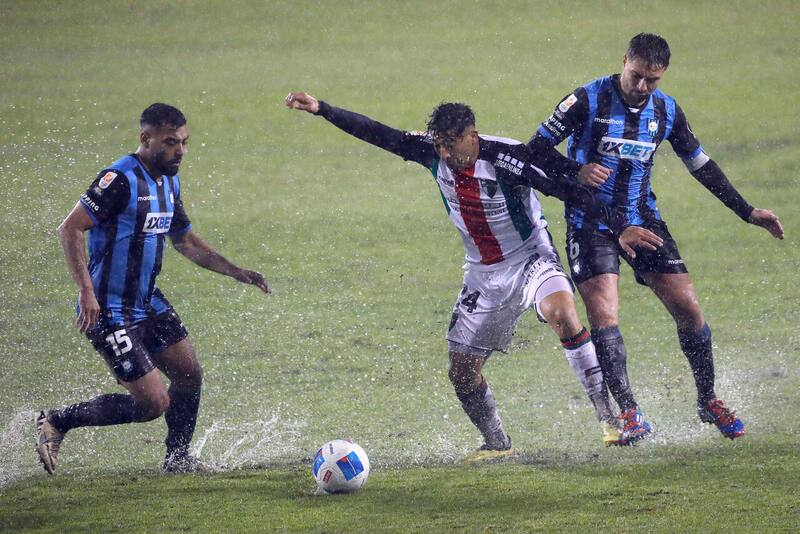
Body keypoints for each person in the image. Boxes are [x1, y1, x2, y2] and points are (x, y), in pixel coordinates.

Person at [285, 91, 664, 456]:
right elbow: (377, 133)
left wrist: (618, 228)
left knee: (563, 313)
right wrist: (322, 109)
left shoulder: (508, 156)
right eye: (440, 145)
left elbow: (569, 191)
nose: (446, 154)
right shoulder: (431, 152)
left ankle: (609, 420)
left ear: (472, 135)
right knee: (461, 373)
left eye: (452, 143)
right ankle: (497, 443)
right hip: (482, 274)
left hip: (532, 258)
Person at [527, 33, 784, 443]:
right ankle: (629, 413)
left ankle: (708, 400)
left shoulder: (665, 110)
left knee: (688, 307)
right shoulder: (586, 100)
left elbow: (700, 165)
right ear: (623, 60)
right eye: (636, 75)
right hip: (589, 221)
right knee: (604, 315)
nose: (642, 87)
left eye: (652, 80)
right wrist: (573, 171)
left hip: (643, 219)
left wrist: (746, 210)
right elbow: (535, 149)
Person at [35, 103, 270, 474]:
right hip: (108, 309)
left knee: (190, 374)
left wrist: (236, 271)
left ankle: (177, 459)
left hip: (147, 302)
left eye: (184, 142)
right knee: (152, 405)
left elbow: (186, 241)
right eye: (171, 142)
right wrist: (85, 290)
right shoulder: (120, 179)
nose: (180, 151)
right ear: (146, 139)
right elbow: (70, 228)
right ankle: (58, 421)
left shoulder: (169, 179)